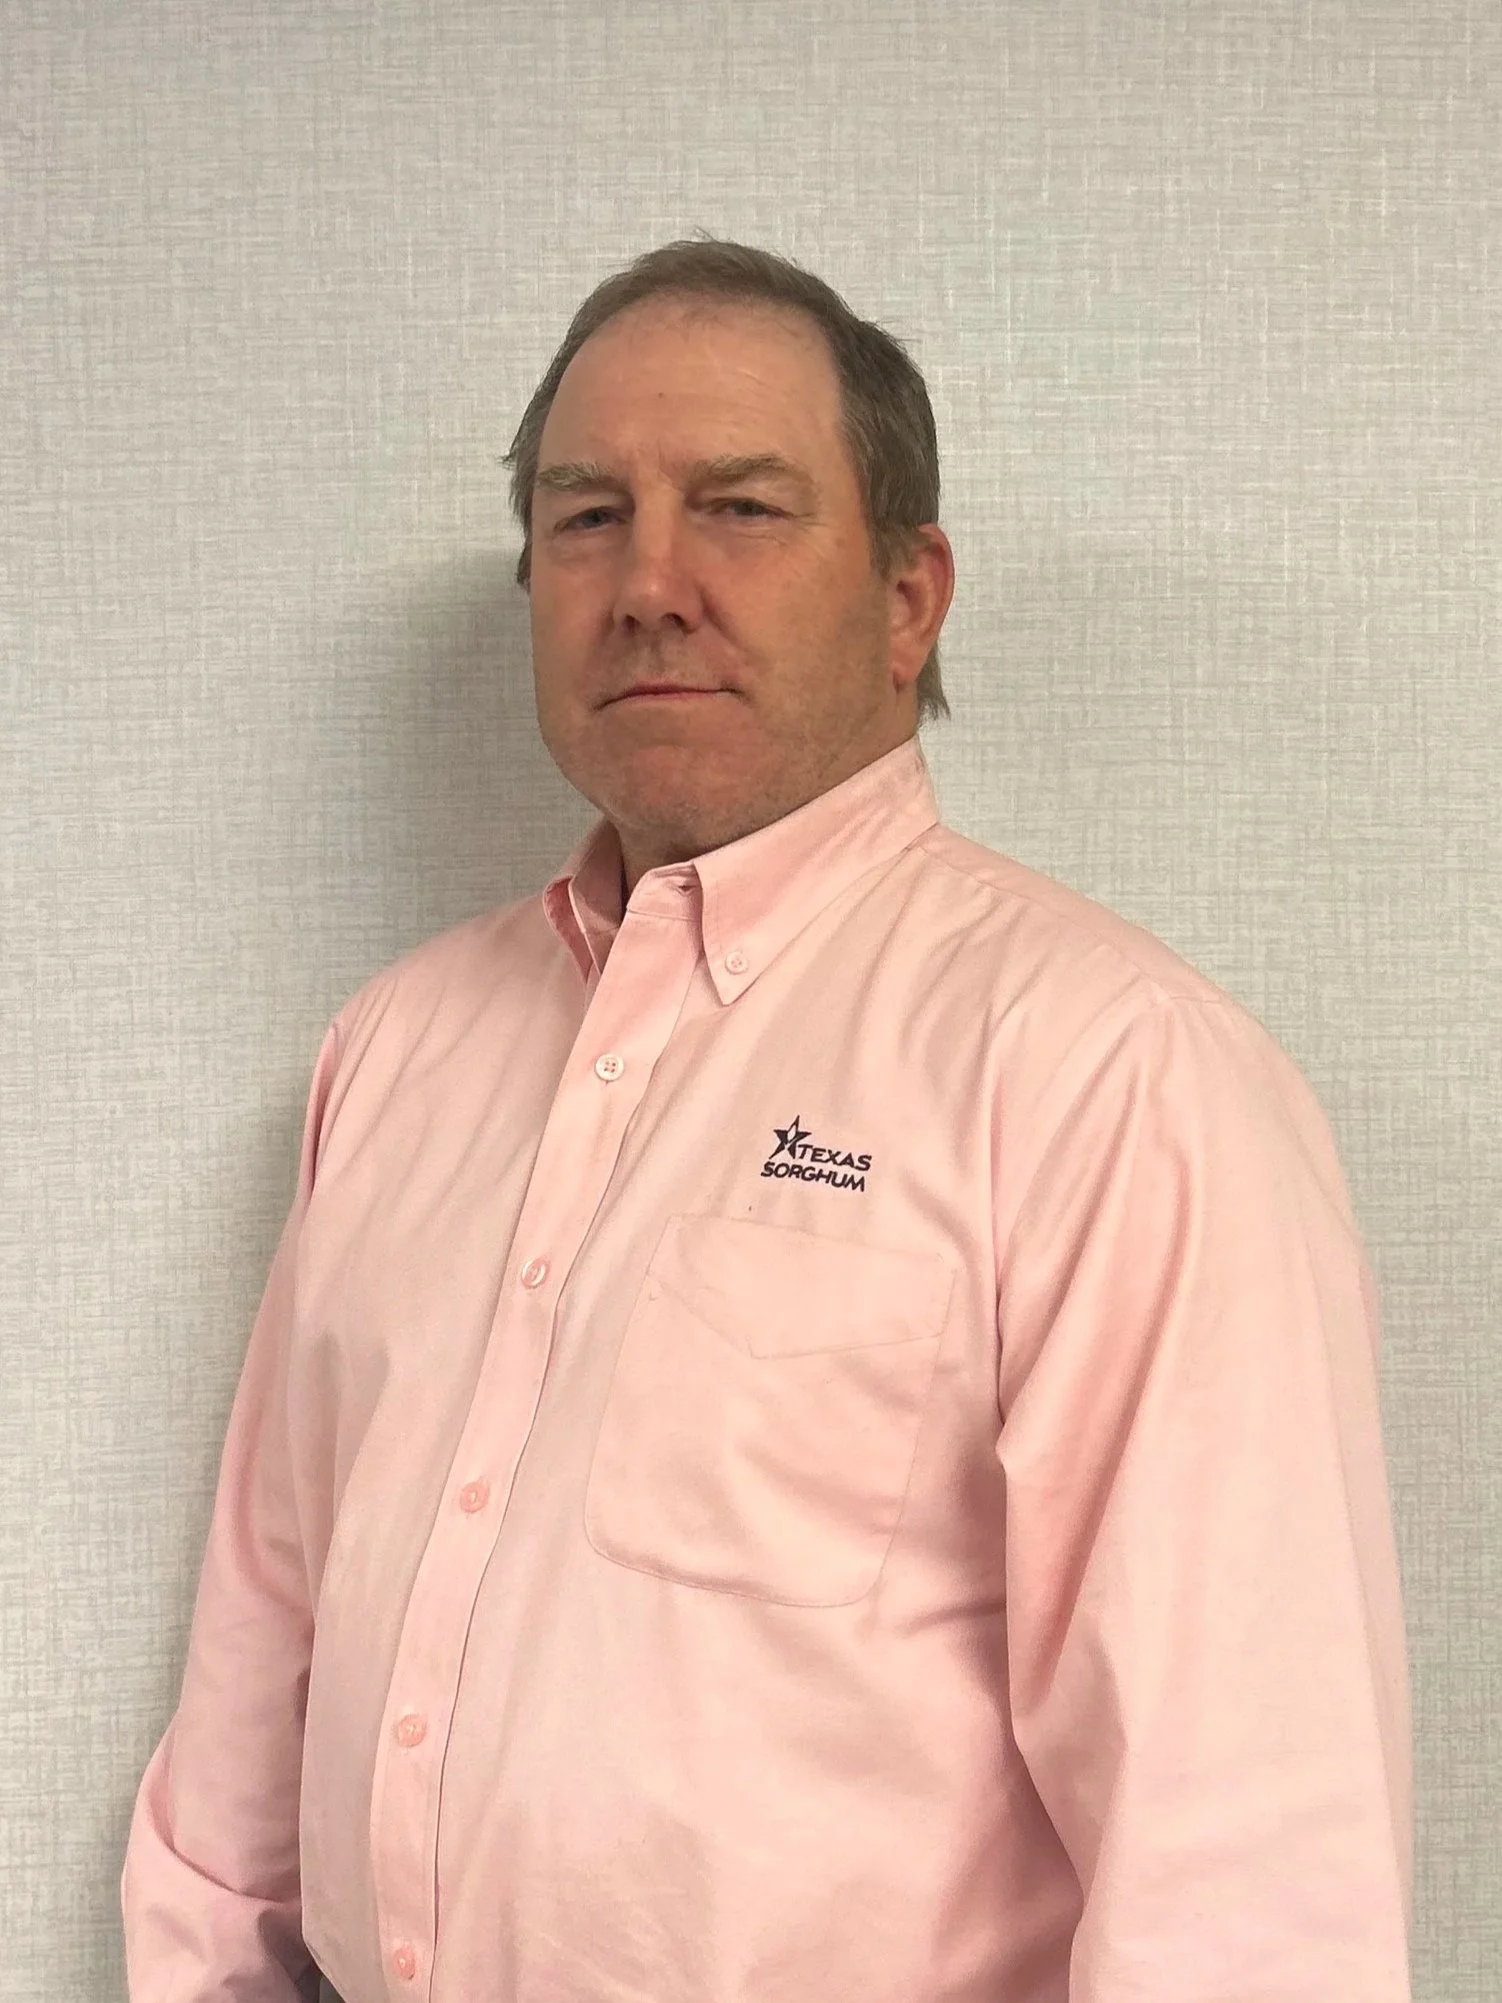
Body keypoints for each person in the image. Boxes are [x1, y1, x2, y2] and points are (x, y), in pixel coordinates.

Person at [121, 238, 1412, 2003]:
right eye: (585, 517)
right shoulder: (394, 1051)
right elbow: (249, 1703)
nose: (648, 581)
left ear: (906, 596)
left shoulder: (1114, 1077)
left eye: (737, 506)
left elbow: (1251, 1878)